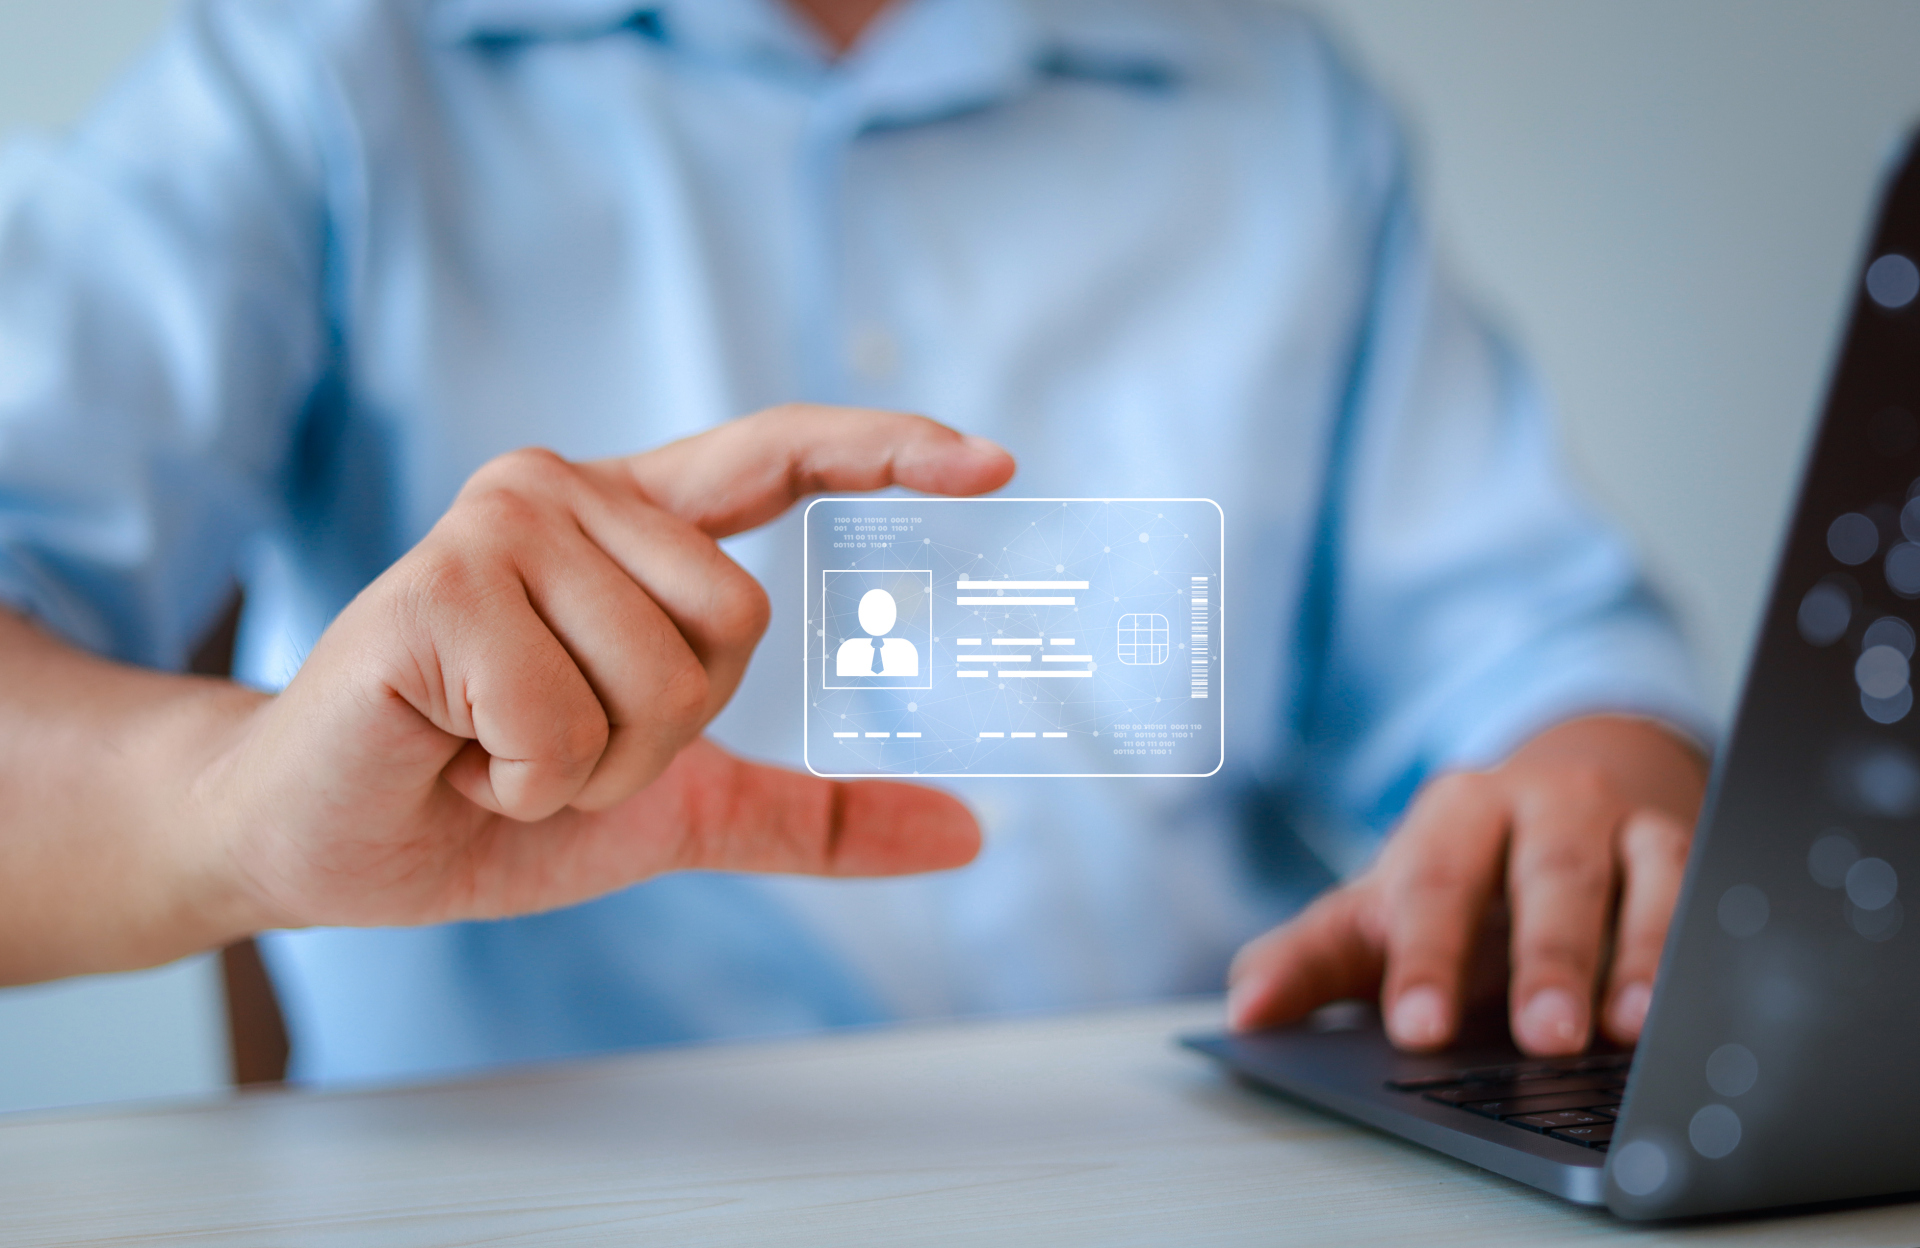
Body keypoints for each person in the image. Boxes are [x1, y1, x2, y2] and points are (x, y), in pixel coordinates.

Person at [0, 0, 1708, 1086]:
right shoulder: (316, 68)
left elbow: (1544, 659)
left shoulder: (1280, 105)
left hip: (1204, 1171)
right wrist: (240, 815)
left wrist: (1589, 805)